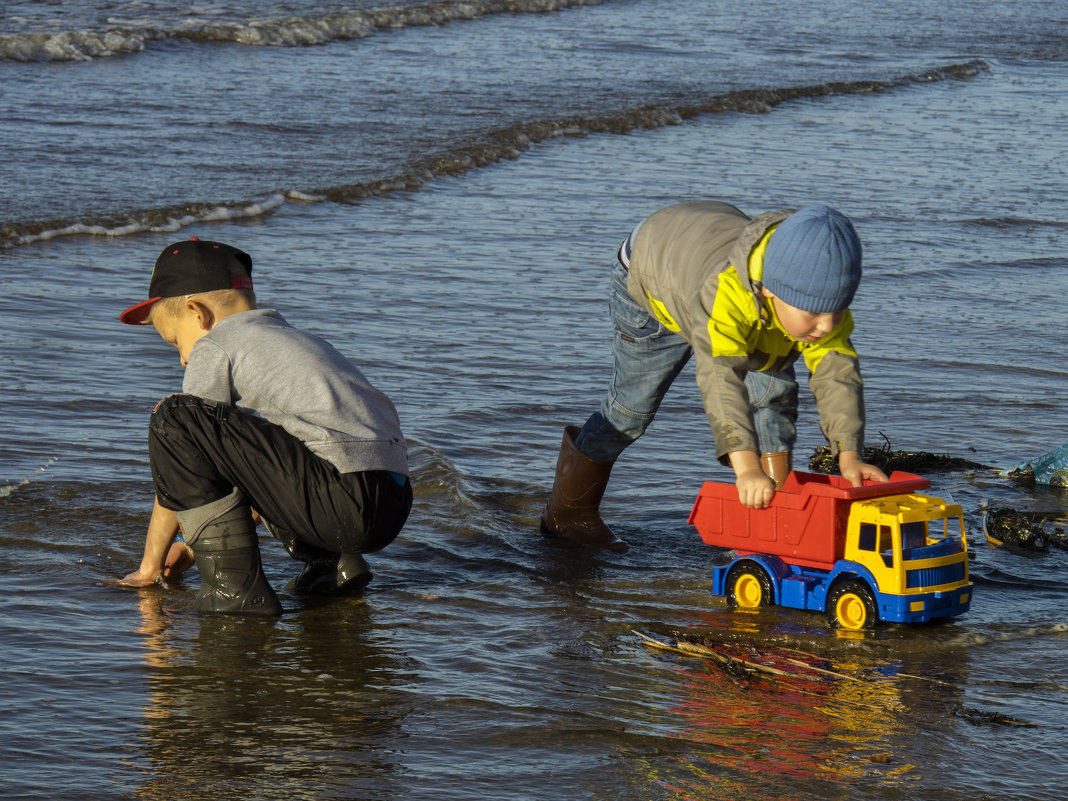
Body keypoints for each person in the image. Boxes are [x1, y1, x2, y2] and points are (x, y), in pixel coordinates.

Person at [541, 200, 888, 552]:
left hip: (711, 264)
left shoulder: (814, 297)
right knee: (632, 411)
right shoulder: (727, 296)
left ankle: (774, 510)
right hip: (651, 278)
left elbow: (837, 376)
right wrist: (746, 467)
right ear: (771, 289)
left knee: (774, 392)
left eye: (838, 310)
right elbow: (721, 382)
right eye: (814, 313)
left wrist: (849, 456)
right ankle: (568, 514)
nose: (827, 325)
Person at [114, 238, 412, 615]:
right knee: (283, 435)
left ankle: (234, 589)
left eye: (177, 343)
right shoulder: (300, 341)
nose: (184, 360)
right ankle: (332, 565)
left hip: (340, 499)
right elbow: (263, 472)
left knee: (175, 418)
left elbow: (181, 460)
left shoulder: (218, 345)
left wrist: (149, 567)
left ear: (197, 313)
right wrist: (191, 547)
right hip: (392, 502)